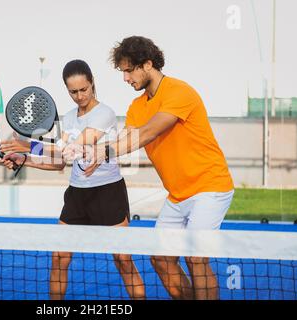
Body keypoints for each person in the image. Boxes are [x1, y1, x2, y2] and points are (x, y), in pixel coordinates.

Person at [63, 36, 235, 300]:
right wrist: (95, 149)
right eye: (123, 72)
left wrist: (105, 150)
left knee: (196, 258)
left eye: (129, 70)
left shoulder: (179, 92)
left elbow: (148, 132)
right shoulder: (136, 106)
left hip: (210, 187)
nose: (125, 78)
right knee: (160, 259)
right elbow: (125, 140)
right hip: (177, 195)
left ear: (147, 64)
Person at [0, 59, 145, 300]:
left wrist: (28, 145)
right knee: (59, 257)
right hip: (77, 194)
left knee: (122, 259)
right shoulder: (68, 118)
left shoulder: (105, 114)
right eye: (73, 91)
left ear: (92, 84)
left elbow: (73, 147)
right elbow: (59, 161)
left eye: (83, 89)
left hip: (108, 193)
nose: (79, 96)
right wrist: (24, 159)